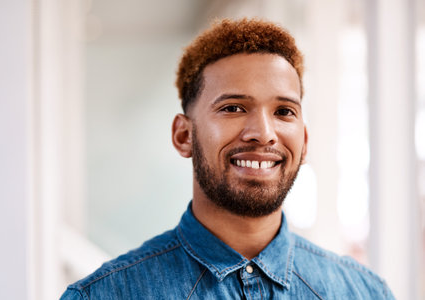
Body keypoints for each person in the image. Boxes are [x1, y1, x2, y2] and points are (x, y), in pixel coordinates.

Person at [61, 18, 394, 299]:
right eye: (233, 108)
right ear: (183, 135)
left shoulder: (365, 292)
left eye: (283, 111)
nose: (263, 133)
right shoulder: (104, 295)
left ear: (304, 142)